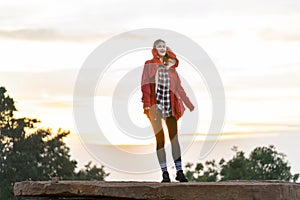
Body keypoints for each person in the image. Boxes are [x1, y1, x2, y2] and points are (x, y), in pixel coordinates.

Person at [141, 39, 195, 182]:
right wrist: (147, 104)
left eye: (164, 46)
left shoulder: (173, 71)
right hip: (155, 107)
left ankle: (179, 171)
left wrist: (188, 104)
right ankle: (165, 173)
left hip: (170, 106)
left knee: (174, 139)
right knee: (160, 140)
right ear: (154, 48)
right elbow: (145, 84)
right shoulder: (149, 65)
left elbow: (179, 89)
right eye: (159, 46)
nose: (162, 48)